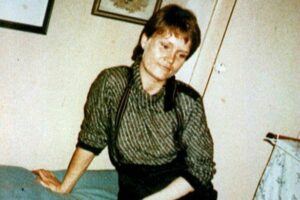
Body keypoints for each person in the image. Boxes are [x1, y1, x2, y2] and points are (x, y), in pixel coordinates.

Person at [33, 4, 217, 200]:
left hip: (183, 193)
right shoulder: (112, 83)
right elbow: (92, 138)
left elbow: (201, 168)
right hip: (134, 190)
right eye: (165, 46)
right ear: (145, 40)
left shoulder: (188, 101)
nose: (170, 59)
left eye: (181, 55)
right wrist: (64, 188)